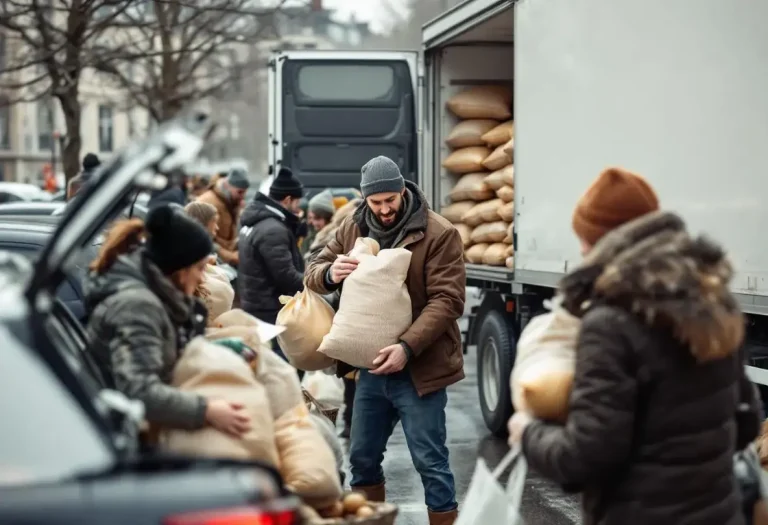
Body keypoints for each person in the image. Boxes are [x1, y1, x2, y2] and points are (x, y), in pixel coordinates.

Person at [507, 167, 761, 525]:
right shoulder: (714, 302)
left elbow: (588, 455)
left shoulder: (611, 323)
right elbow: (747, 421)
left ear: (606, 242)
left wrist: (528, 433)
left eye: (586, 238)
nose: (581, 248)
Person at [304, 155, 465, 525]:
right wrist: (330, 272)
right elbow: (312, 267)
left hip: (419, 370)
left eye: (390, 200)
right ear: (365, 200)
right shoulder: (353, 225)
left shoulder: (439, 233)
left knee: (430, 462)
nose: (384, 209)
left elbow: (448, 300)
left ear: (402, 190)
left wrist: (406, 347)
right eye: (376, 202)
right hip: (372, 369)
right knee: (361, 458)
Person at [83, 205, 250, 437]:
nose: (203, 277)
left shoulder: (155, 296)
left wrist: (219, 349)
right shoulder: (137, 306)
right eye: (200, 268)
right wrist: (206, 410)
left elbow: (160, 353)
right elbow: (138, 390)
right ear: (180, 271)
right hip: (118, 435)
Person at [303, 196, 362, 438]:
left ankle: (350, 422)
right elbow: (315, 265)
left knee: (351, 374)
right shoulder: (340, 231)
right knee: (349, 374)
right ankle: (349, 422)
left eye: (317, 218)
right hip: (343, 312)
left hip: (349, 312)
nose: (313, 222)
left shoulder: (343, 227)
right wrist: (330, 274)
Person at [238, 166, 304, 361]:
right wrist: (316, 282)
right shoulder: (273, 230)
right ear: (287, 200)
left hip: (256, 305)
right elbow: (286, 276)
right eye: (297, 202)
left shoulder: (258, 222)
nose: (298, 208)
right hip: (271, 311)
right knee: (277, 363)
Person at [184, 201, 236, 325]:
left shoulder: (200, 255)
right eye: (214, 222)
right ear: (203, 224)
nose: (217, 228)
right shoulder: (189, 258)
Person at [197, 168, 250, 266]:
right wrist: (229, 256)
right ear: (226, 186)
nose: (242, 197)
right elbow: (201, 238)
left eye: (245, 193)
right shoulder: (207, 202)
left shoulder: (231, 202)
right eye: (240, 192)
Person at [300, 189, 335, 257]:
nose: (313, 222)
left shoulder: (333, 238)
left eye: (317, 218)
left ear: (328, 218)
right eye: (310, 218)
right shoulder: (310, 236)